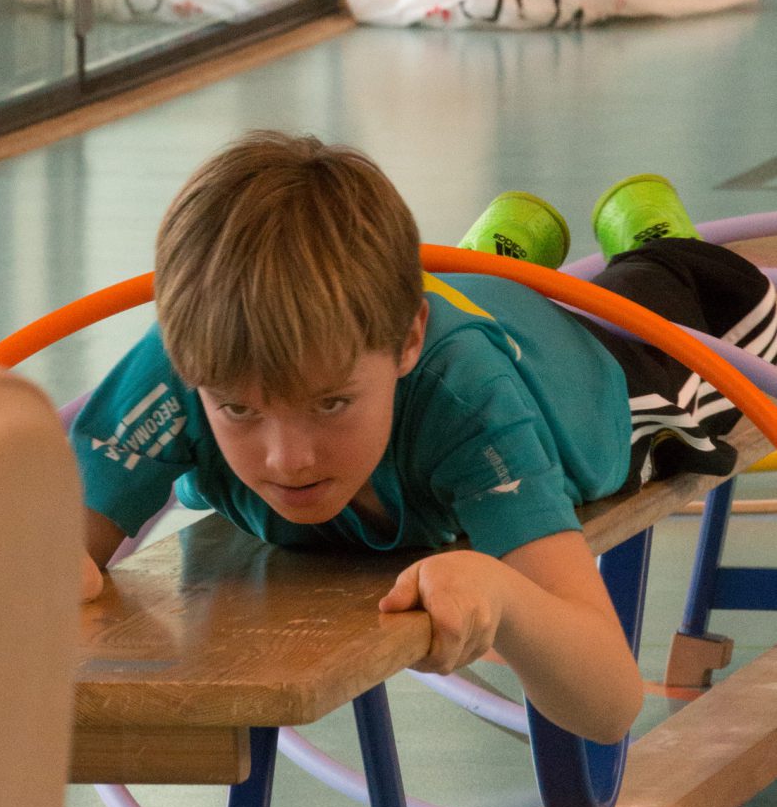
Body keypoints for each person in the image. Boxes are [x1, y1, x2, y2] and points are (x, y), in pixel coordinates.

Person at [73, 132, 776, 744]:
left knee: (701, 302)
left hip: (603, 366)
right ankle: (500, 254)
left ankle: (660, 244)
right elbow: (56, 552)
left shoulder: (468, 404)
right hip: (472, 315)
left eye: (332, 402)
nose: (288, 459)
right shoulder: (187, 360)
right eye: (237, 410)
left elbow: (610, 703)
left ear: (408, 339)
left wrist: (504, 596)